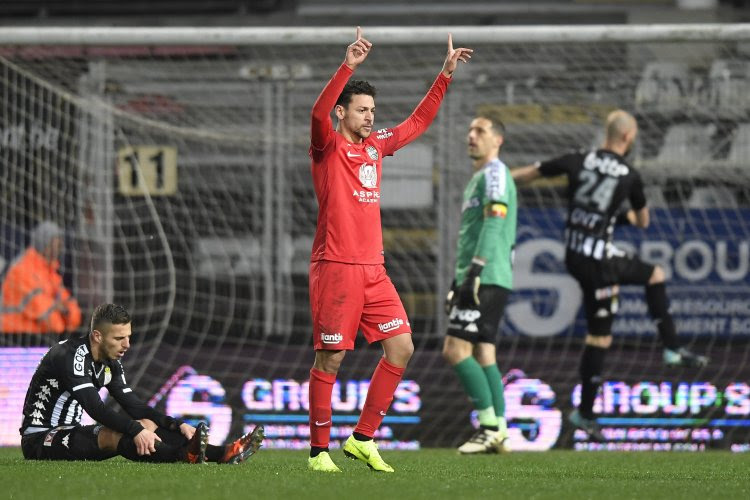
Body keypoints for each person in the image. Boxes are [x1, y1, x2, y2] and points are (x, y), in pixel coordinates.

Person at [307, 27, 472, 472]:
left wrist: (444, 76)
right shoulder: (328, 145)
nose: (369, 117)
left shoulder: (376, 146)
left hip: (373, 270)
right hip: (336, 265)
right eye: (361, 110)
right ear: (343, 112)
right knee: (331, 356)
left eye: (372, 110)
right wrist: (348, 67)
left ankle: (362, 439)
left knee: (401, 347)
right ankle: (318, 453)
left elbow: (416, 124)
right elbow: (318, 110)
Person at [511, 109, 708, 441]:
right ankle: (672, 347)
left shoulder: (579, 159)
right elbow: (643, 222)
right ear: (628, 137)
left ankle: (585, 413)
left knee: (599, 337)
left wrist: (494, 172)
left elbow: (531, 173)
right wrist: (620, 215)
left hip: (576, 257)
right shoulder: (629, 174)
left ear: (607, 133)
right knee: (655, 274)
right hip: (599, 259)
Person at [19, 302, 264, 463]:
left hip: (70, 432)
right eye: (119, 338)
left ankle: (223, 453)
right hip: (40, 438)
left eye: (128, 337)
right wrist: (136, 430)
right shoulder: (69, 355)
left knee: (146, 422)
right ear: (97, 336)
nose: (127, 345)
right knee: (116, 433)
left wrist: (176, 424)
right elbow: (95, 408)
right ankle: (182, 455)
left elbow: (134, 406)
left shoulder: (110, 362)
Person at [442, 114, 515, 454]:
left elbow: (495, 223)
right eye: (469, 130)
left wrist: (474, 272)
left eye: (480, 131)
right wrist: (460, 281)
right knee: (484, 351)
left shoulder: (495, 174)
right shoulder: (480, 178)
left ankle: (487, 427)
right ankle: (500, 428)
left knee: (455, 350)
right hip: (481, 276)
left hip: (484, 276)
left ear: (497, 140)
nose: (471, 136)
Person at [1, 221, 81, 336]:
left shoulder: (51, 273)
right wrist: (61, 313)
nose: (60, 246)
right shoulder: (21, 269)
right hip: (14, 340)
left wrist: (65, 311)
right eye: (56, 242)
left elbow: (73, 313)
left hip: (38, 340)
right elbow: (45, 314)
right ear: (45, 244)